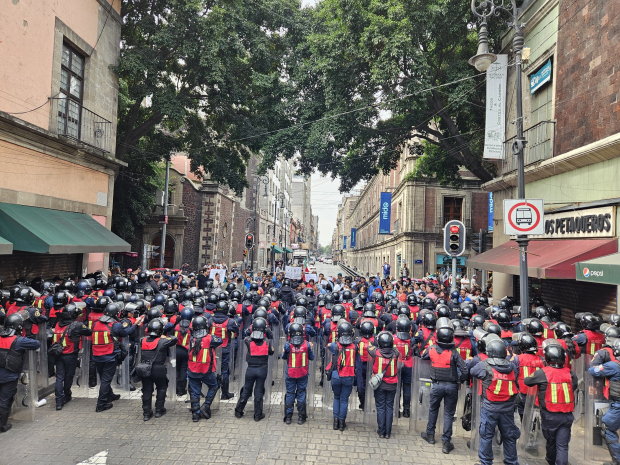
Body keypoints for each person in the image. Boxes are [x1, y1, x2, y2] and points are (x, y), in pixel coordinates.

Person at [524, 341, 577, 465]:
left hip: (550, 416)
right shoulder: (570, 373)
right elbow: (573, 387)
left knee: (551, 441)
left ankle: (551, 461)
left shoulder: (542, 373)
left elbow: (527, 381)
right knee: (562, 445)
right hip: (567, 416)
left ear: (547, 358)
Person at [470, 338, 521, 465]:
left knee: (486, 437)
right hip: (508, 409)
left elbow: (472, 371)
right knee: (509, 437)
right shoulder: (512, 366)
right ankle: (511, 461)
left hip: (490, 408)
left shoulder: (485, 365)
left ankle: (486, 462)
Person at [421, 321, 467, 454]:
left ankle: (430, 435)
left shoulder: (431, 349)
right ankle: (446, 443)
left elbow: (423, 356)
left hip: (436, 386)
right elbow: (464, 370)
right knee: (448, 414)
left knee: (433, 409)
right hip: (452, 387)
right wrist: (461, 381)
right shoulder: (454, 352)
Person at [92, 303, 142, 412]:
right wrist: (135, 324)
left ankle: (110, 395)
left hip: (96, 355)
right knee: (106, 380)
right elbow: (126, 333)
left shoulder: (95, 324)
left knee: (104, 378)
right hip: (109, 356)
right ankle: (101, 404)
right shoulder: (115, 325)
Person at [0, 313, 41, 433]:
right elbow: (36, 344)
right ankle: (1, 426)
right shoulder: (19, 341)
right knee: (4, 400)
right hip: (9, 376)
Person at [52, 303, 93, 410]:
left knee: (59, 377)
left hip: (58, 354)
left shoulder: (58, 324)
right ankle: (67, 395)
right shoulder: (77, 325)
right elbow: (89, 332)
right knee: (69, 376)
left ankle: (58, 401)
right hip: (70, 355)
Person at [235, 317, 274, 421]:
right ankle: (257, 415)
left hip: (250, 370)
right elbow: (271, 352)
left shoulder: (248, 341)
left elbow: (246, 335)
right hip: (262, 370)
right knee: (259, 391)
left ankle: (239, 411)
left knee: (246, 390)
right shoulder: (267, 342)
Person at [139, 318, 178, 420]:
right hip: (158, 368)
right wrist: (164, 335)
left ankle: (146, 412)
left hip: (145, 368)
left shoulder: (142, 340)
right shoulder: (163, 341)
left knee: (147, 389)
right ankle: (159, 410)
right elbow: (174, 338)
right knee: (161, 387)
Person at [325, 321, 361, 431]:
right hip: (349, 377)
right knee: (344, 400)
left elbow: (328, 345)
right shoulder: (355, 347)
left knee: (336, 397)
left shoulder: (334, 346)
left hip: (336, 376)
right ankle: (342, 423)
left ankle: (335, 422)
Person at [589, 338, 620, 465]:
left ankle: (617, 461)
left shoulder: (614, 365)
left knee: (608, 430)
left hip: (617, 404)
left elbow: (593, 370)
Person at [187, 316, 223, 422]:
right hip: (206, 370)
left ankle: (195, 415)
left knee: (194, 392)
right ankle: (206, 405)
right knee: (214, 386)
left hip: (192, 370)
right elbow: (219, 340)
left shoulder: (190, 338)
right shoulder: (210, 339)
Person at [368, 331, 400, 439]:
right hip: (392, 385)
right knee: (389, 407)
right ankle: (388, 433)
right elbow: (396, 349)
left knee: (381, 407)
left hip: (380, 385)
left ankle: (381, 431)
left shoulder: (375, 352)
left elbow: (369, 347)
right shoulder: (396, 353)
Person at [282, 323, 316, 425]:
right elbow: (312, 357)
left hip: (290, 373)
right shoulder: (306, 344)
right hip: (303, 373)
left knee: (290, 393)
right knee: (301, 393)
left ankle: (288, 417)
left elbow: (283, 357)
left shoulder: (288, 345)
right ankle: (301, 417)